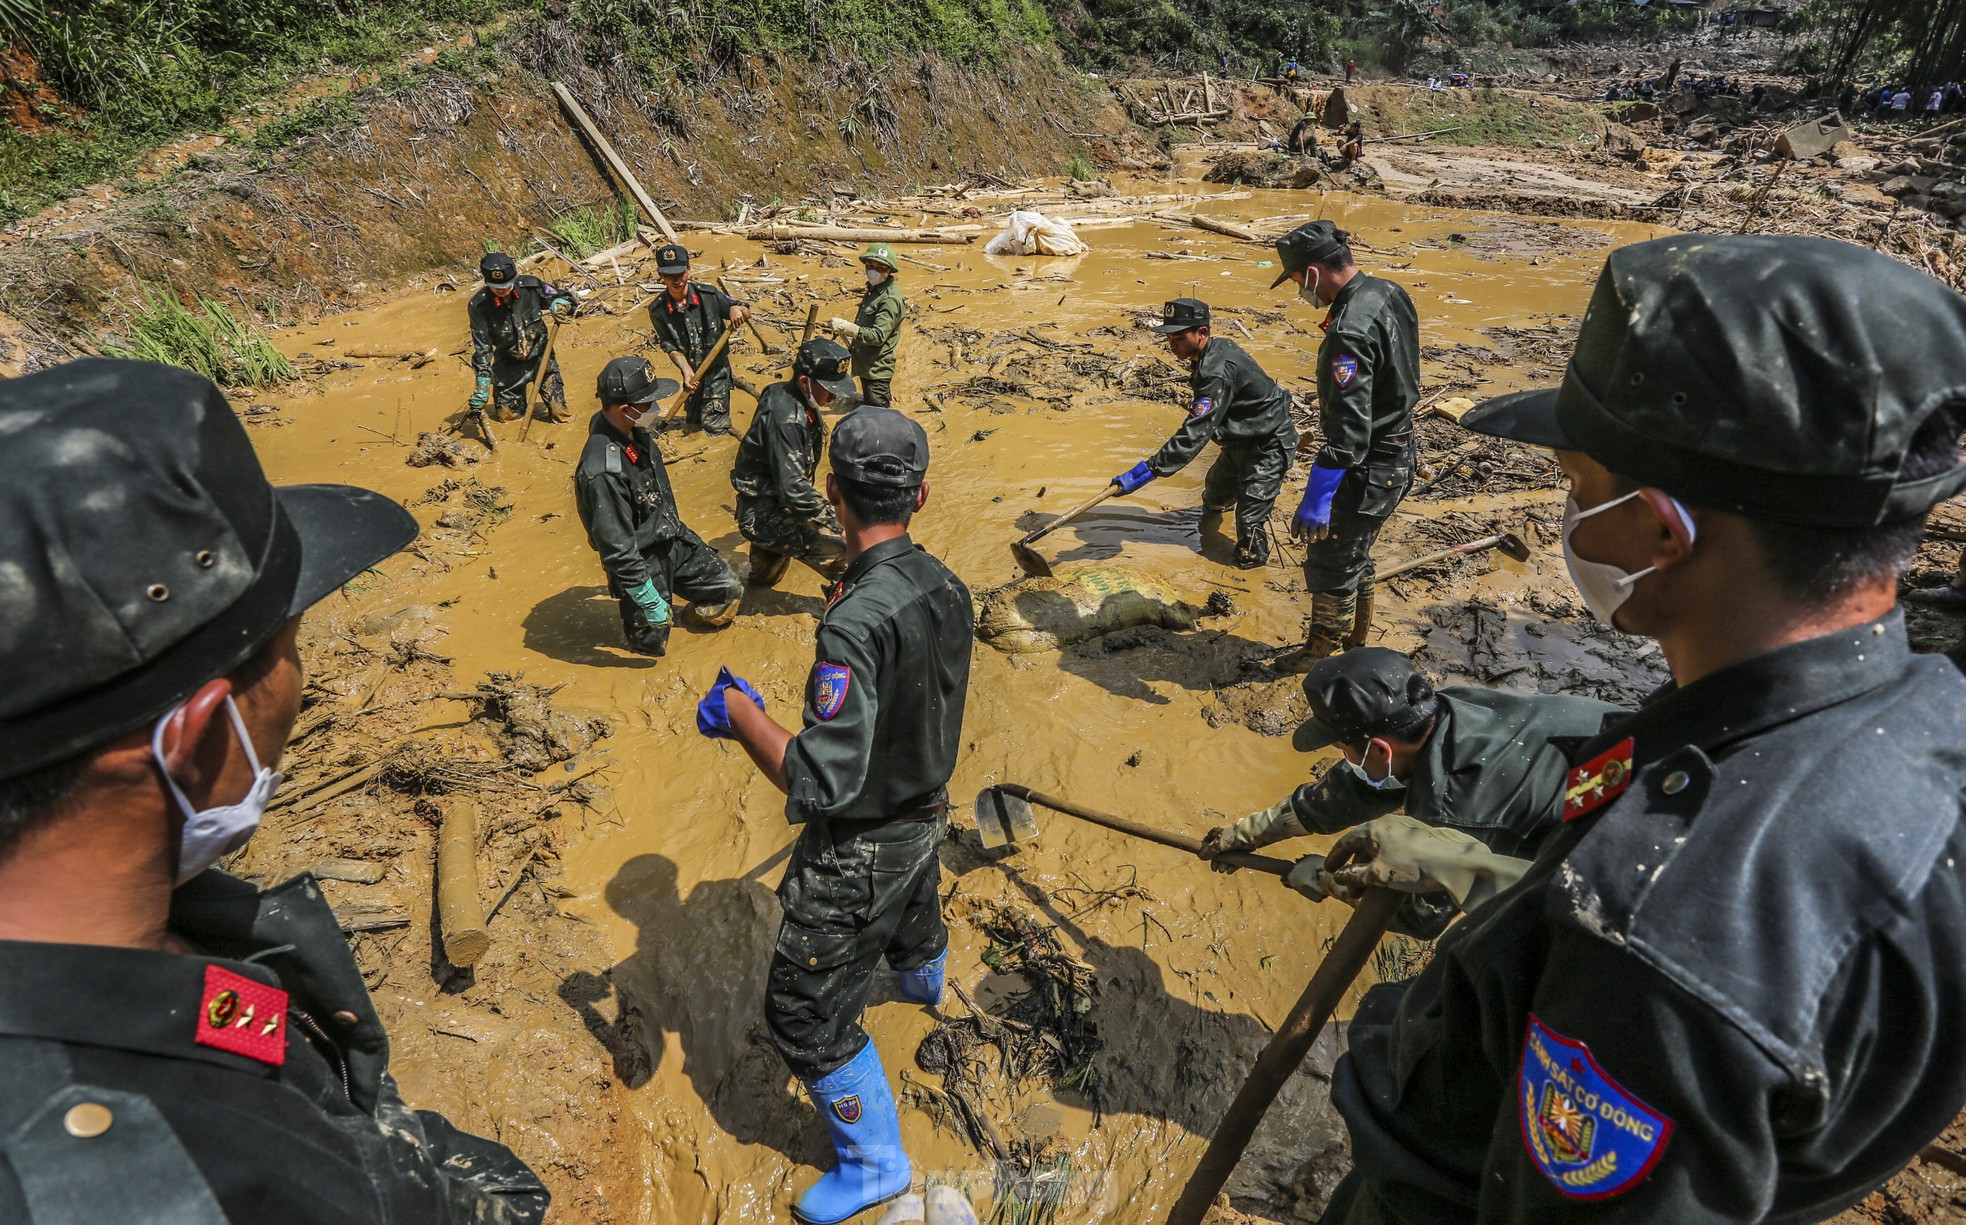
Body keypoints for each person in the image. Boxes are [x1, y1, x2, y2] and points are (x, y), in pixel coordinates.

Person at [1311, 234, 1966, 1221]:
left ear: (1661, 532)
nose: (1569, 516)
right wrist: (1492, 882)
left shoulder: (1659, 937)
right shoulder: (1932, 718)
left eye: (1578, 490)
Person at [0, 358, 548, 1222]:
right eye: (287, 647)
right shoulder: (186, 1178)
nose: (299, 677)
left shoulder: (155, 928)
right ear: (201, 735)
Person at [697, 407, 972, 1225]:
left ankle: (874, 1163)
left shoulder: (852, 621)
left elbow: (819, 782)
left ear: (831, 493)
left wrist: (742, 713)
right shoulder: (946, 582)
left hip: (864, 843)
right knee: (914, 911)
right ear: (921, 493)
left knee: (802, 1014)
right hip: (926, 810)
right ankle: (925, 980)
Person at [1197, 648, 1624, 936]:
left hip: (1629, 851)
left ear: (1381, 748)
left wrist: (1328, 879)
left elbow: (1423, 915)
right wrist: (1255, 830)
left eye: (1341, 747)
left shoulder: (1455, 806)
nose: (1343, 757)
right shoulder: (1442, 710)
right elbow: (1363, 785)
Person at [1269, 220, 1420, 665]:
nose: (1300, 291)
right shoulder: (1388, 291)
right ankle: (1355, 642)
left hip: (1369, 466)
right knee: (1357, 551)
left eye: (1298, 280)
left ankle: (1320, 656)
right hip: (1400, 449)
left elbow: (1349, 432)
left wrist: (1317, 494)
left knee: (1331, 558)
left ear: (1314, 272)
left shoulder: (1347, 333)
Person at [1111, 297, 1298, 570]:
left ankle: (1249, 573)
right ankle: (1224, 514)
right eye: (1169, 338)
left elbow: (1195, 433)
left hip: (1268, 443)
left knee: (1249, 527)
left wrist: (1148, 471)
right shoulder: (1212, 352)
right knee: (1214, 497)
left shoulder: (1216, 370)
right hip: (1241, 439)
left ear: (1202, 333)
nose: (1172, 345)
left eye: (1178, 337)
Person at [573, 356, 742, 658]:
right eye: (649, 403)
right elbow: (617, 547)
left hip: (669, 533)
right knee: (652, 645)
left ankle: (685, 619)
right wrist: (647, 596)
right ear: (625, 410)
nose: (656, 409)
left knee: (727, 590)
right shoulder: (603, 471)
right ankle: (645, 622)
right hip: (640, 556)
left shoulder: (632, 428)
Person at [730, 337, 856, 588]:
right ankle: (849, 614)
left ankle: (752, 596)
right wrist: (839, 524)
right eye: (829, 389)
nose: (833, 396)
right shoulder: (786, 418)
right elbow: (793, 487)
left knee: (766, 578)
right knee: (846, 554)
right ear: (804, 381)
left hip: (774, 503)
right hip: (766, 513)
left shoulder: (786, 394)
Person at [650, 243, 749, 436]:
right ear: (661, 275)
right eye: (669, 275)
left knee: (714, 426)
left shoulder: (709, 296)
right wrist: (686, 370)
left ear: (688, 270)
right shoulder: (658, 310)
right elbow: (670, 346)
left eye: (680, 273)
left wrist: (736, 309)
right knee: (693, 423)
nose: (676, 280)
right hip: (692, 374)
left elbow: (742, 308)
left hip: (716, 371)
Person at [468, 250, 573, 423]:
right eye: (497, 288)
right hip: (507, 364)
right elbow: (482, 346)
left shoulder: (530, 286)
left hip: (541, 358)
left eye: (507, 286)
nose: (503, 291)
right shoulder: (478, 305)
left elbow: (565, 297)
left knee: (561, 414)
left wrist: (561, 303)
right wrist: (483, 379)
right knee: (508, 419)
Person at [829, 243, 906, 408]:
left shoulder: (889, 299)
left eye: (880, 268)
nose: (874, 270)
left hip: (876, 370)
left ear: (889, 271)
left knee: (878, 416)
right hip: (865, 363)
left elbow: (878, 336)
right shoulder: (873, 290)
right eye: (870, 265)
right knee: (868, 406)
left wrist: (848, 328)